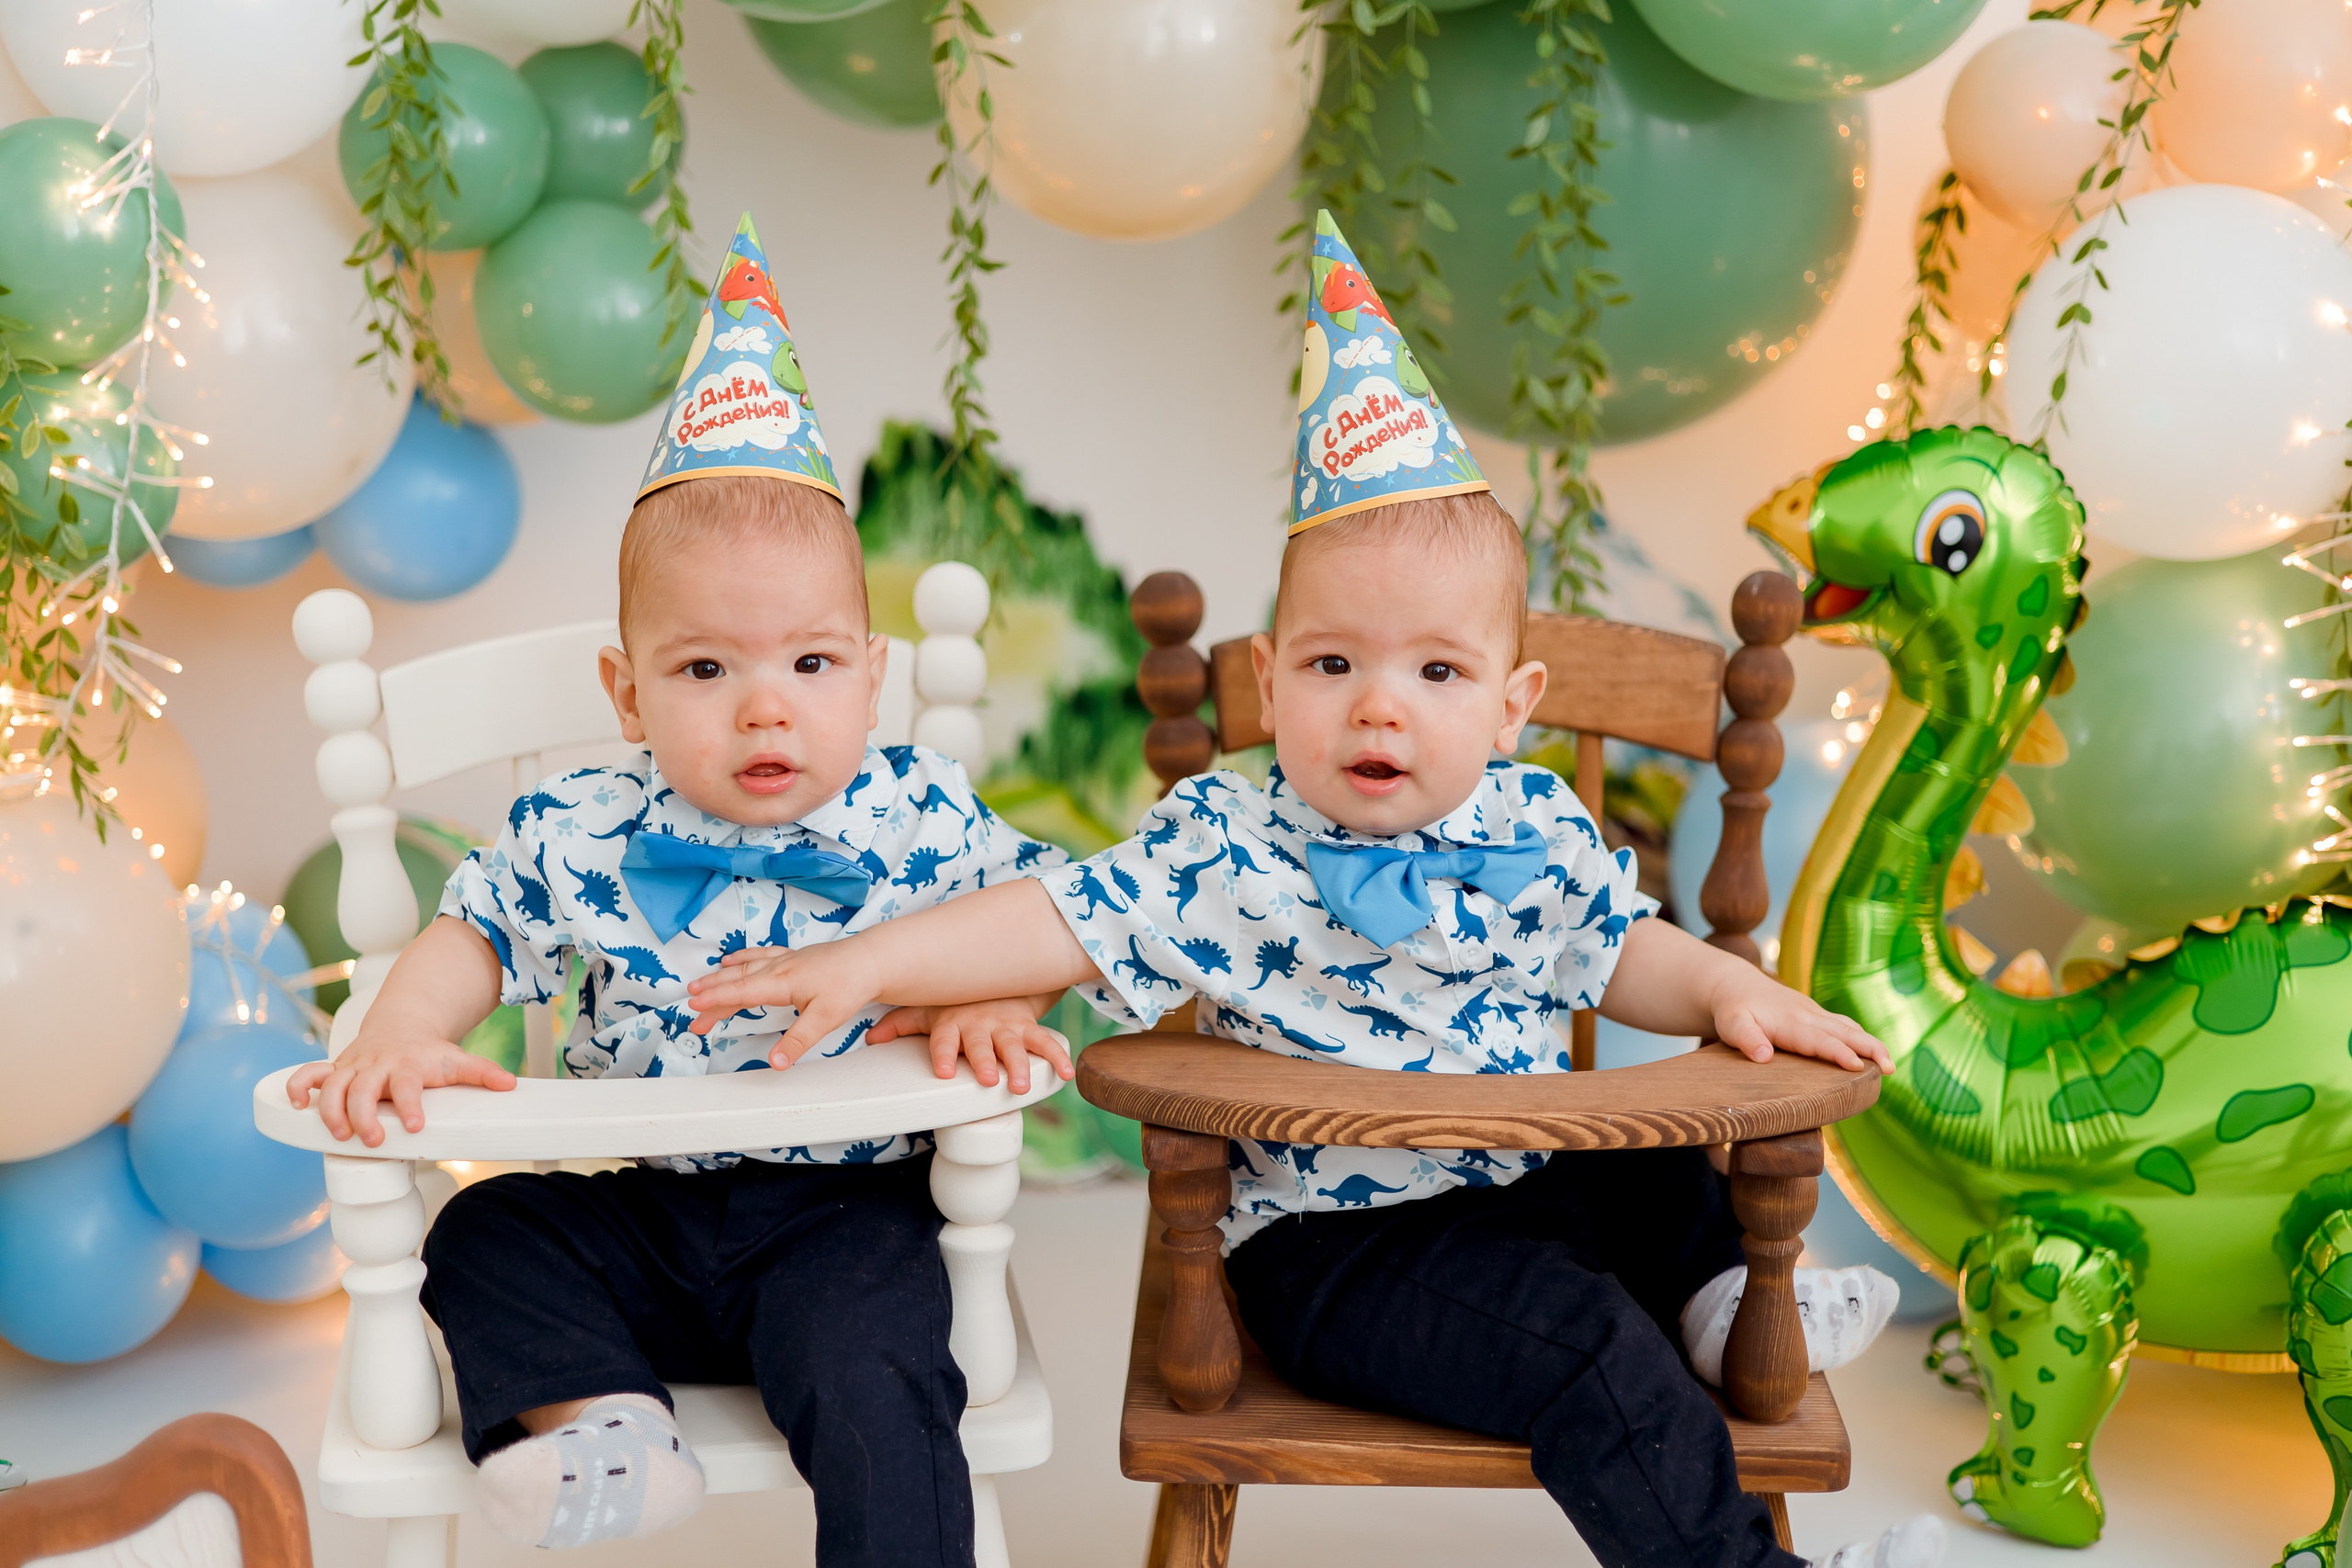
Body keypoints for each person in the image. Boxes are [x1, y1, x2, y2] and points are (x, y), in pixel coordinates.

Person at [684, 214, 1940, 1568]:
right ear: (1275, 681)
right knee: (1584, 1350)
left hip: (1522, 1182)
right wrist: (875, 963)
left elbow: (1621, 950)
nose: (1379, 708)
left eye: (1437, 675)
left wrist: (1737, 994)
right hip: (1339, 1252)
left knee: (1662, 1171)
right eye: (1336, 666)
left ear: (1513, 707)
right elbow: (1055, 919)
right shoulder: (1228, 840)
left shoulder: (1531, 821)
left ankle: (1714, 1294)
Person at [285, 213, 1070, 1562]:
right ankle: (602, 1421)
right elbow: (473, 929)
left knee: (876, 1359)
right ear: (628, 693)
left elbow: (1040, 916)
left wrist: (989, 998)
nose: (766, 711)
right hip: (642, 1206)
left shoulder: (920, 813)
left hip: (843, 1212)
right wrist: (409, 1030)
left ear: (872, 680)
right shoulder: (582, 827)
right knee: (486, 1230)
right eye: (707, 671)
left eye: (812, 667)